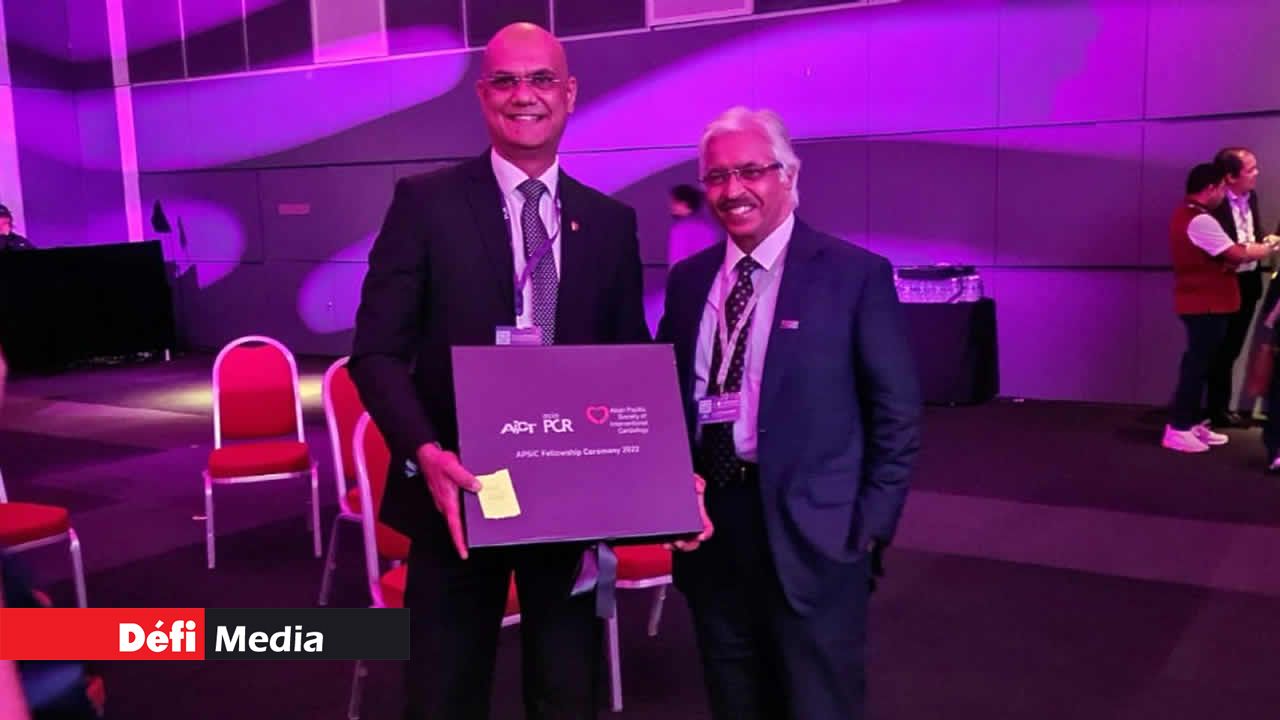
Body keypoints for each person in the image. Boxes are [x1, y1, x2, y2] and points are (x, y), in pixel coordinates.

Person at [348, 22, 708, 720]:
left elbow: (627, 362)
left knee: (567, 693)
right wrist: (425, 451)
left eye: (541, 79)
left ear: (568, 94)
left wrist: (665, 471)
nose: (525, 95)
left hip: (571, 500)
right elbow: (376, 352)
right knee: (443, 696)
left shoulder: (609, 223)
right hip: (457, 496)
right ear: (483, 95)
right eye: (506, 81)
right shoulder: (425, 203)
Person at [655, 106, 922, 720]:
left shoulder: (854, 276)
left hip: (816, 531)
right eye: (717, 176)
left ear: (789, 176)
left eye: (751, 171)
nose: (733, 190)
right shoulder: (690, 281)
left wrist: (868, 528)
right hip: (711, 526)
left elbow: (897, 415)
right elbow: (667, 397)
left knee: (816, 702)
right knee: (734, 697)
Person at [1164, 162, 1280, 453]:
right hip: (1204, 304)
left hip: (1208, 303)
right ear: (1211, 188)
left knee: (1202, 363)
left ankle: (1191, 423)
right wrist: (1269, 248)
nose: (1223, 196)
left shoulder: (1192, 215)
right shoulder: (1198, 220)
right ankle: (1179, 427)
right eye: (1221, 190)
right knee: (1196, 365)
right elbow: (1236, 253)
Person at [1207, 148, 1266, 427]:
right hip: (1223, 281)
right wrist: (1251, 251)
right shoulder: (1213, 203)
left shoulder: (1251, 196)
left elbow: (1252, 232)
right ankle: (1213, 409)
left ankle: (1221, 408)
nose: (1256, 174)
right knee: (1216, 348)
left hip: (1249, 281)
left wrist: (1264, 244)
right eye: (1250, 170)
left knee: (1232, 347)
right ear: (1230, 176)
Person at [668, 184, 721, 266]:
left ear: (684, 204)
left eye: (674, 202)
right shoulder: (710, 227)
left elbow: (676, 262)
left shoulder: (680, 229)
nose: (671, 206)